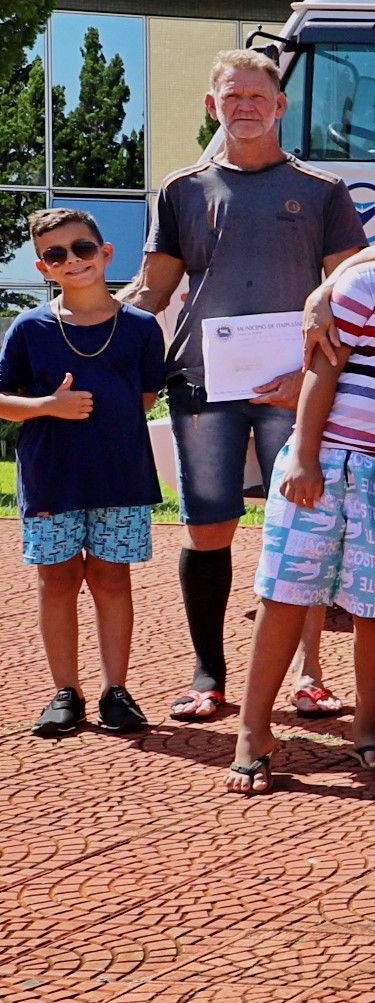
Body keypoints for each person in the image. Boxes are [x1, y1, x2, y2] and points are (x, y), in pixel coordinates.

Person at [125, 50, 367, 722]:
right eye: (232, 96)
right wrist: (81, 324)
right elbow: (151, 292)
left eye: (258, 96)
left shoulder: (322, 190)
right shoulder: (182, 189)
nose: (245, 107)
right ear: (213, 105)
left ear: (280, 105)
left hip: (297, 388)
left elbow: (349, 296)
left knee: (303, 530)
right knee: (208, 529)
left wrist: (311, 379)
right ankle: (208, 676)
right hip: (204, 385)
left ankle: (310, 676)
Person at [234, 182, 375, 787]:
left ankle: (368, 727)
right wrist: (306, 456)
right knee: (286, 594)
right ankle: (254, 729)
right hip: (324, 461)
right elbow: (323, 365)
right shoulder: (366, 286)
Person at [2, 208, 166, 741]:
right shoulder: (30, 328)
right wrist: (49, 406)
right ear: (42, 267)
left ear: (106, 253)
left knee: (113, 578)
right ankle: (64, 692)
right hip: (51, 476)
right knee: (56, 580)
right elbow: (3, 399)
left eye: (82, 248)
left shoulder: (140, 327)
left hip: (119, 476)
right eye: (55, 254)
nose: (71, 260)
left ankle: (115, 690)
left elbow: (145, 397)